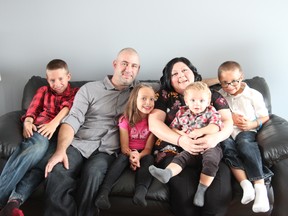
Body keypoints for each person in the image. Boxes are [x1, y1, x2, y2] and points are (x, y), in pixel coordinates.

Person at [44, 48, 141, 216]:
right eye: (124, 63)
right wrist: (60, 151)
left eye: (134, 66)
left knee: (94, 173)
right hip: (80, 143)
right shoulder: (89, 89)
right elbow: (73, 119)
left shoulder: (140, 94)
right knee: (58, 170)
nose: (128, 69)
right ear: (115, 64)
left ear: (138, 70)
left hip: (107, 151)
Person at [148, 57, 234, 216]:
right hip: (175, 151)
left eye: (184, 70)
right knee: (184, 201)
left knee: (218, 198)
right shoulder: (164, 95)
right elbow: (154, 124)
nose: (180, 75)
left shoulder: (211, 94)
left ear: (193, 73)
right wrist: (181, 140)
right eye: (174, 73)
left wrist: (214, 138)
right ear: (169, 79)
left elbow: (227, 121)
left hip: (210, 149)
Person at [0, 59, 79, 216]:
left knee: (44, 166)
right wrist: (28, 122)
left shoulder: (76, 93)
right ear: (47, 79)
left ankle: (14, 202)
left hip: (60, 136)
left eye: (60, 79)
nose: (56, 83)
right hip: (41, 130)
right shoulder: (43, 90)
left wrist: (54, 124)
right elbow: (32, 109)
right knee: (37, 148)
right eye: (52, 80)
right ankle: (3, 197)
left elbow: (67, 108)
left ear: (68, 76)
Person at [149, 81, 223, 207]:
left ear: (208, 101)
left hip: (209, 146)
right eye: (193, 100)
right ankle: (167, 173)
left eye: (201, 100)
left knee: (211, 160)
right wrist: (183, 135)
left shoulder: (211, 111)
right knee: (181, 157)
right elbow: (173, 128)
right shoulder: (182, 112)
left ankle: (201, 189)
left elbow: (215, 127)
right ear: (186, 101)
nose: (197, 104)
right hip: (190, 147)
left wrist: (200, 131)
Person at [217, 61, 273, 213]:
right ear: (220, 82)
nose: (230, 86)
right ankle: (245, 185)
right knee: (226, 147)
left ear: (241, 77)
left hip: (246, 130)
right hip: (227, 132)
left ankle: (260, 187)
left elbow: (265, 116)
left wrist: (252, 124)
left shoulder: (253, 95)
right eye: (225, 83)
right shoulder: (220, 96)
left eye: (234, 81)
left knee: (245, 145)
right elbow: (217, 115)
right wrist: (229, 117)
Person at [95, 83, 155, 209]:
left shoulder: (154, 121)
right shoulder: (125, 120)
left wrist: (138, 156)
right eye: (143, 98)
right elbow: (124, 147)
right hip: (127, 152)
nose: (148, 102)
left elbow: (148, 149)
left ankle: (140, 193)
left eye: (151, 99)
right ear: (134, 100)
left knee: (149, 160)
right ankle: (103, 193)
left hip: (143, 154)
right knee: (121, 157)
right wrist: (132, 155)